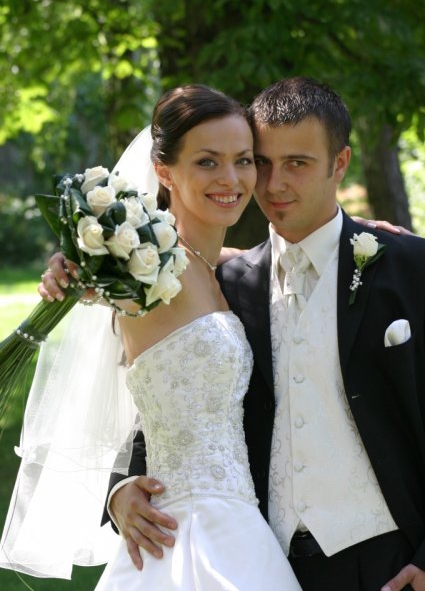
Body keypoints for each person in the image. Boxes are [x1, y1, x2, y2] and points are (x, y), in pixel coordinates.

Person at [91, 77, 425, 591]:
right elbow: (173, 391)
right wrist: (122, 487)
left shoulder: (407, 265)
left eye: (298, 163)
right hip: (264, 557)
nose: (273, 185)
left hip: (391, 562)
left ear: (339, 164)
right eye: (262, 162)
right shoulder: (226, 282)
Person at [1, 84, 302, 590]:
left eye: (243, 160)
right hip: (182, 528)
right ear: (163, 171)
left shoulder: (216, 267)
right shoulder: (140, 271)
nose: (231, 179)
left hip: (241, 522)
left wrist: (366, 228)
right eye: (207, 162)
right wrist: (74, 266)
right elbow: (98, 287)